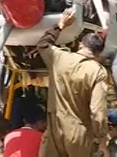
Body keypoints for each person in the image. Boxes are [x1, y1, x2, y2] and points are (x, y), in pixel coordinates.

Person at [37, 9, 110, 157]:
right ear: (98, 53)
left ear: (81, 46)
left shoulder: (59, 57)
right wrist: (102, 140)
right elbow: (98, 112)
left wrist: (61, 25)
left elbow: (43, 44)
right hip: (79, 134)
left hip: (53, 131)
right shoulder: (97, 72)